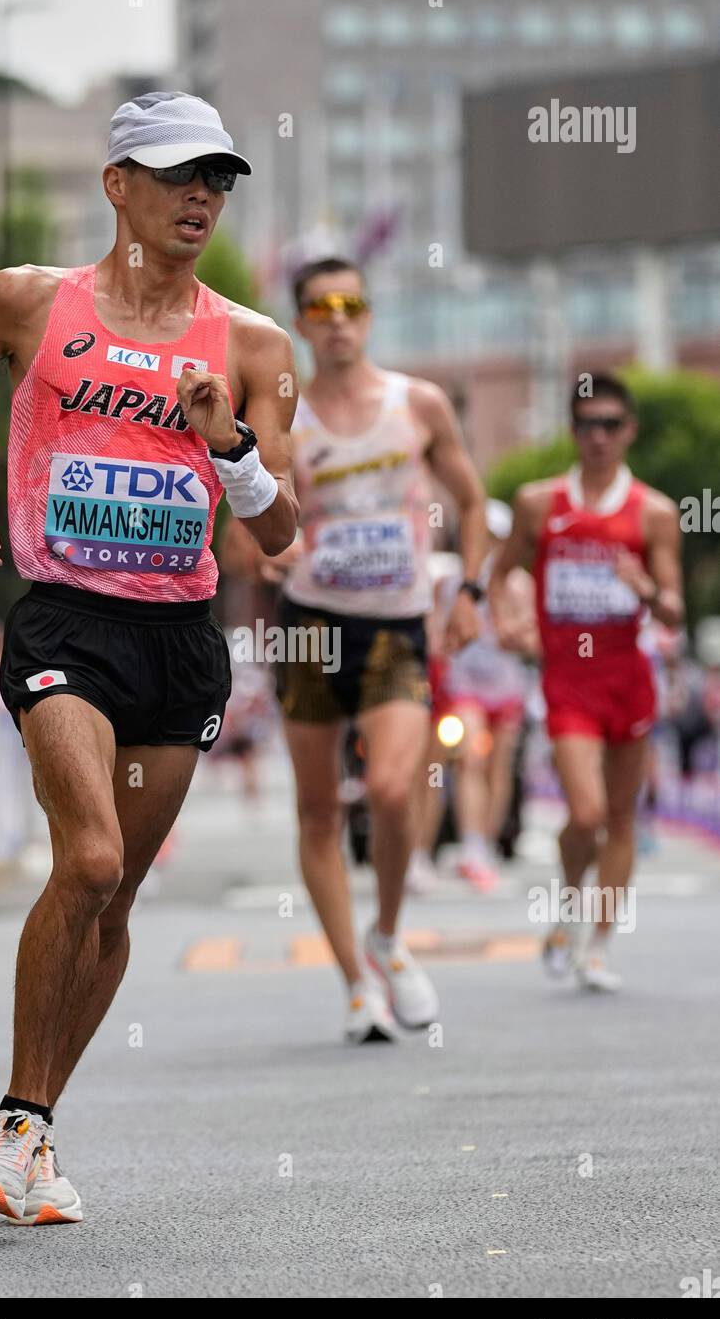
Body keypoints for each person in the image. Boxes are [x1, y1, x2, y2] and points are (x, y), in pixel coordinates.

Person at [0, 92, 298, 1224]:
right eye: (179, 175)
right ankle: (17, 1122)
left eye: (217, 180)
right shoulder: (30, 302)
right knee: (84, 859)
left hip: (179, 643)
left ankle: (30, 1135)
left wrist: (226, 443)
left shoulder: (253, 345)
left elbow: (279, 532)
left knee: (115, 896)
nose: (200, 199)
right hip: (64, 622)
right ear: (117, 183)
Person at [277, 257, 486, 1042]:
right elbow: (247, 530)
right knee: (319, 808)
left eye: (351, 303)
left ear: (368, 313)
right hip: (310, 625)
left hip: (396, 625)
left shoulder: (418, 404)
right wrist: (270, 550)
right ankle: (355, 986)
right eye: (320, 307)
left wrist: (467, 592)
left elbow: (470, 502)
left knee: (396, 789)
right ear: (300, 322)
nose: (337, 318)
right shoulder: (287, 420)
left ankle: (389, 936)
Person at [489, 373, 683, 992]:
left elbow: (677, 608)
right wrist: (510, 619)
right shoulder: (538, 503)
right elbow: (497, 575)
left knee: (621, 820)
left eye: (610, 425)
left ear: (629, 431)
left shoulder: (653, 513)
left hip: (629, 680)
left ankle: (597, 946)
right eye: (587, 425)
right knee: (588, 811)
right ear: (572, 431)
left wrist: (647, 589)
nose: (598, 437)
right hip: (568, 683)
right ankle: (572, 900)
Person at [433, 500, 535, 890]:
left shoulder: (520, 584)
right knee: (471, 759)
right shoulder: (450, 581)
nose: (487, 544)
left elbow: (536, 640)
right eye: (482, 535)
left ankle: (487, 844)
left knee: (499, 768)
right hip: (466, 689)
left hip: (507, 688)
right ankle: (472, 846)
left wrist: (515, 636)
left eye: (495, 538)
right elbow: (439, 634)